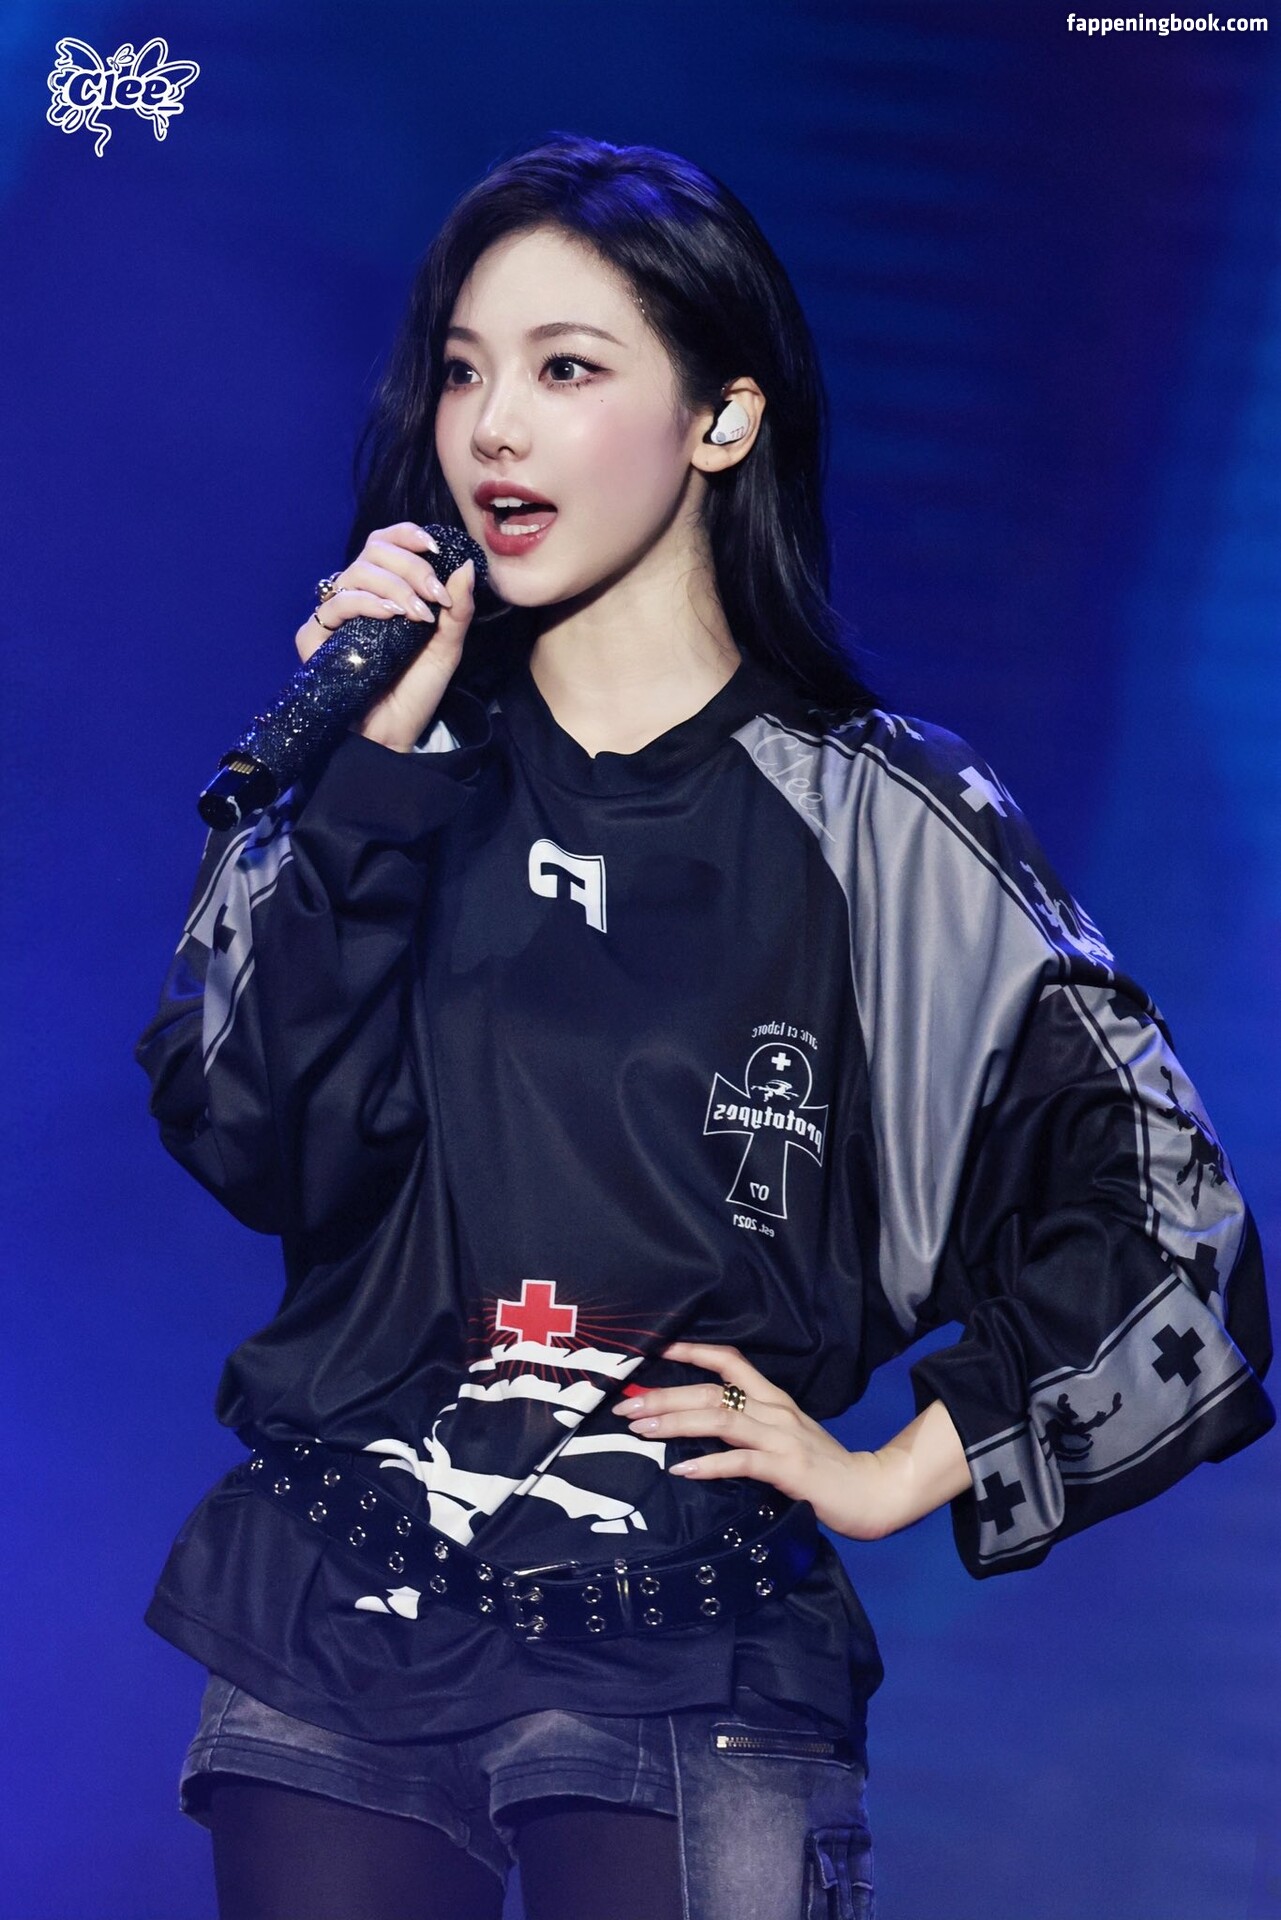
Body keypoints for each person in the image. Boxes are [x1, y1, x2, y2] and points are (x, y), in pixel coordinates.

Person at [134, 132, 1274, 1920]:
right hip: (333, 1618)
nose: (492, 430)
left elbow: (1166, 1218)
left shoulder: (883, 822)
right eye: (463, 371)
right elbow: (247, 1132)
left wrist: (900, 1468)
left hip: (689, 1645)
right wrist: (374, 772)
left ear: (721, 420)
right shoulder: (380, 770)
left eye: (566, 370)